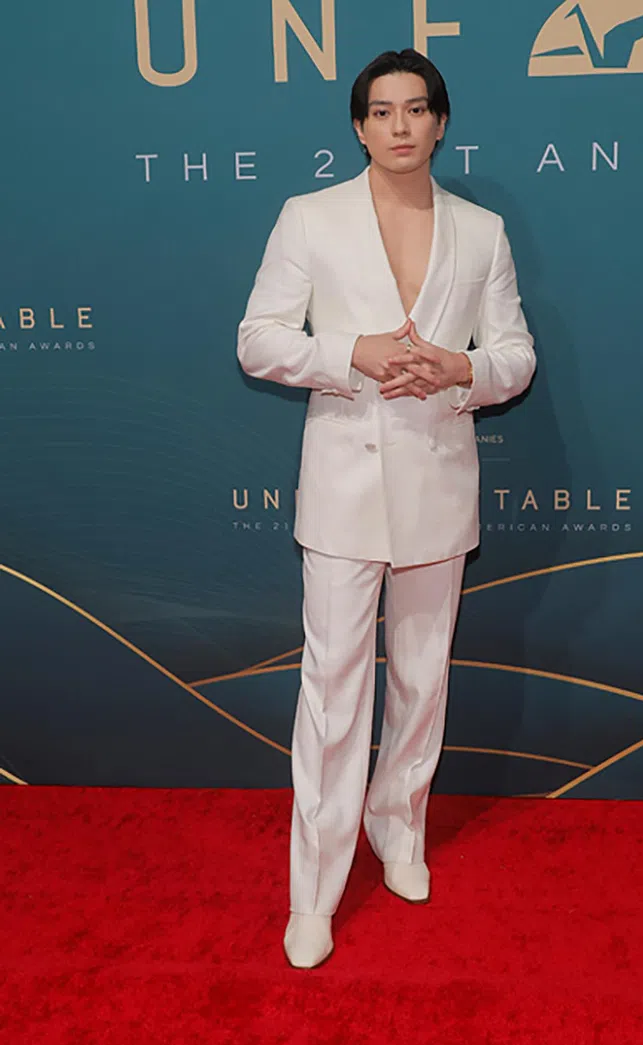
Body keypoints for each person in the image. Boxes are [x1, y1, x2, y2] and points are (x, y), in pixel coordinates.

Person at [236, 47, 536, 969]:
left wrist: (464, 370)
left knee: (422, 673)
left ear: (441, 123)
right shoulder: (309, 217)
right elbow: (257, 340)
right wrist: (350, 352)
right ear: (359, 126)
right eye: (381, 110)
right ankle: (314, 890)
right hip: (343, 486)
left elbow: (517, 355)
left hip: (439, 479)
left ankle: (397, 826)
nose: (400, 125)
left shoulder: (482, 232)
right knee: (330, 692)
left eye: (417, 109)